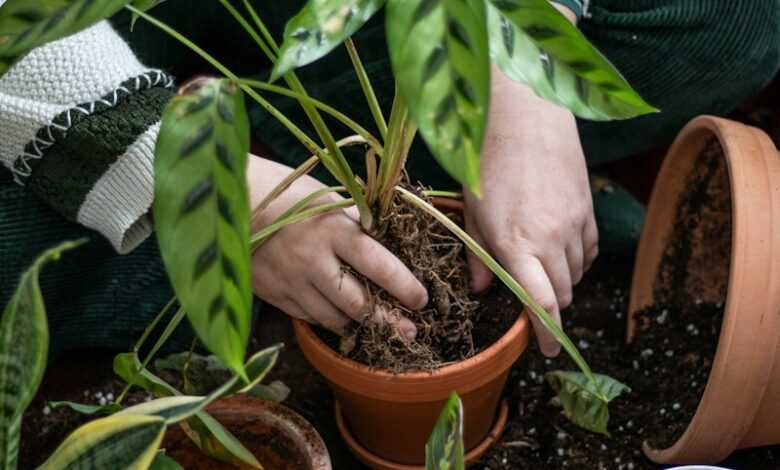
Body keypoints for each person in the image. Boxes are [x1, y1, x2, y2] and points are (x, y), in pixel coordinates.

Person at [0, 0, 777, 358]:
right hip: (50, 54)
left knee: (737, 15)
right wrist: (199, 186)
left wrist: (519, 58)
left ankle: (341, 198)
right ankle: (324, 204)